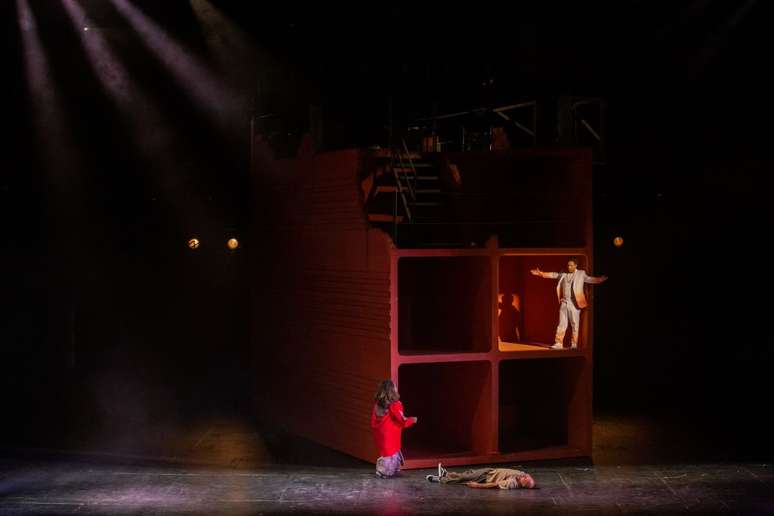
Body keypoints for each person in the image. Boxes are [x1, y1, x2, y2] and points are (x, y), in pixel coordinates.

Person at [530, 257, 607, 350]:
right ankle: (558, 343)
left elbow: (590, 279)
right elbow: (554, 274)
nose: (569, 267)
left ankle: (574, 344)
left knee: (575, 324)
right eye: (568, 265)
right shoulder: (563, 273)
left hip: (575, 303)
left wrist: (599, 280)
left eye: (571, 265)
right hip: (564, 302)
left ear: (575, 265)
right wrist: (541, 273)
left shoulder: (581, 273)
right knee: (561, 323)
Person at [371, 380, 417, 478]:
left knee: (387, 453)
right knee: (391, 454)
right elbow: (402, 420)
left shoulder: (378, 404)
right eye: (395, 387)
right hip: (390, 435)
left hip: (382, 435)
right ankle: (385, 471)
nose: (397, 388)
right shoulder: (394, 405)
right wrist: (412, 420)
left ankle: (383, 470)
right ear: (391, 391)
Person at [426, 463, 535, 489]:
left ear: (522, 484)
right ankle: (446, 474)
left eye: (524, 479)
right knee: (467, 473)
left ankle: (440, 479)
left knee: (463, 479)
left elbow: (495, 484)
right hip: (490, 471)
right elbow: (527, 476)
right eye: (526, 476)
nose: (524, 477)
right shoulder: (522, 475)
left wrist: (478, 485)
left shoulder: (512, 483)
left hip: (486, 478)